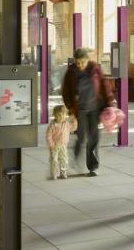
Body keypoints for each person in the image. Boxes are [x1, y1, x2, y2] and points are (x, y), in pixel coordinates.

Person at [61, 47, 115, 176]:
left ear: (87, 60)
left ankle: (93, 167)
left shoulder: (95, 69)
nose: (80, 65)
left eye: (82, 62)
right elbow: (65, 92)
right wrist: (70, 109)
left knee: (94, 138)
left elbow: (104, 86)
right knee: (81, 137)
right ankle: (75, 159)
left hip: (95, 109)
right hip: (80, 110)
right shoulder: (71, 72)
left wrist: (110, 102)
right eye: (77, 63)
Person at [46, 104, 77, 179]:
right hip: (54, 146)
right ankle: (54, 173)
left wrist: (74, 121)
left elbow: (73, 128)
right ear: (54, 115)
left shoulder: (66, 124)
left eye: (63, 114)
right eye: (59, 115)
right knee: (54, 160)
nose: (61, 116)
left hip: (63, 145)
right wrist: (51, 144)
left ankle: (63, 172)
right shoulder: (52, 125)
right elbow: (48, 136)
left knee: (64, 159)